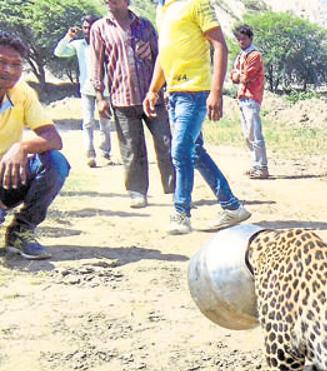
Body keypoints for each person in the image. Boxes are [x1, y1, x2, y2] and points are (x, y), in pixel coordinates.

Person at [144, 0, 250, 235]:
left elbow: (220, 46)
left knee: (180, 151)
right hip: (173, 94)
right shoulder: (163, 10)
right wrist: (153, 89)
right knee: (193, 151)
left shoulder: (197, 4)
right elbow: (164, 54)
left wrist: (216, 92)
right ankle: (232, 207)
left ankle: (181, 214)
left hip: (195, 93)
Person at [91, 0, 175, 209]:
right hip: (122, 100)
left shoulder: (145, 25)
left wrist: (163, 89)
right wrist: (100, 97)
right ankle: (137, 192)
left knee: (166, 144)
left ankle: (175, 190)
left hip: (152, 97)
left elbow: (161, 57)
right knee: (131, 149)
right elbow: (96, 64)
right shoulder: (99, 28)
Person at [0, 31, 70, 260]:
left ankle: (22, 230)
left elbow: (53, 138)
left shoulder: (22, 93)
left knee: (55, 162)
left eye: (16, 64)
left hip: (7, 176)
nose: (8, 70)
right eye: (2, 62)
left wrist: (21, 148)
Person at [54, 15, 114, 169]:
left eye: (90, 27)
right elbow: (59, 52)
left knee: (105, 123)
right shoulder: (79, 45)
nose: (87, 31)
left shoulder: (106, 43)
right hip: (87, 89)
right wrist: (68, 36)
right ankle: (90, 153)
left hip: (105, 89)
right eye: (85, 28)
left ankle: (105, 153)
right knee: (87, 122)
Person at [230, 24, 269, 180]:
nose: (241, 42)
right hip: (243, 96)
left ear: (250, 38)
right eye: (238, 39)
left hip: (252, 96)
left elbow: (245, 77)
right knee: (248, 134)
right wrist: (238, 75)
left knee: (255, 133)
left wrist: (238, 75)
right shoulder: (241, 56)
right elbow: (233, 76)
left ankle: (262, 166)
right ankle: (255, 165)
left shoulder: (254, 55)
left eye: (243, 39)